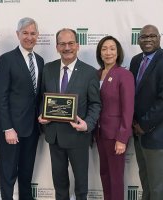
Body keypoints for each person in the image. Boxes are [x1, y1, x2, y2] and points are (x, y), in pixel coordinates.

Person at [38, 28, 101, 200]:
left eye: (71, 43)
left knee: (81, 185)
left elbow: (95, 104)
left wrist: (87, 124)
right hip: (55, 135)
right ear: (57, 47)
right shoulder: (48, 69)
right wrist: (41, 115)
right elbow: (41, 99)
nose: (67, 48)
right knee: (59, 184)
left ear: (77, 45)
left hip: (78, 136)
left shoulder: (89, 72)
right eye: (62, 44)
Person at [0, 17, 44, 200]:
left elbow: (38, 95)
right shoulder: (7, 59)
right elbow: (0, 97)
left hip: (32, 128)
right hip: (12, 129)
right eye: (25, 33)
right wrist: (7, 128)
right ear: (18, 34)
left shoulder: (39, 60)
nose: (29, 37)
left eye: (33, 33)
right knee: (8, 171)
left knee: (26, 169)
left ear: (37, 36)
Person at [129, 24, 163, 200]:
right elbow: (132, 95)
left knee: (159, 187)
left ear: (159, 38)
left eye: (153, 36)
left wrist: (143, 125)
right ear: (138, 40)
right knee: (146, 182)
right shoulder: (136, 61)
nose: (148, 39)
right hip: (138, 133)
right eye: (144, 36)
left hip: (158, 134)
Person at [95, 36, 134, 200]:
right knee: (104, 173)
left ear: (118, 53)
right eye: (104, 49)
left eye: (112, 48)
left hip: (115, 135)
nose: (108, 52)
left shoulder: (124, 75)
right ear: (100, 53)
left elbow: (128, 108)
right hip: (99, 133)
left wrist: (122, 138)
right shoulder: (95, 74)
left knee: (116, 177)